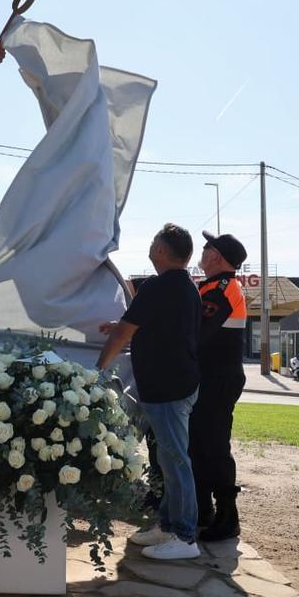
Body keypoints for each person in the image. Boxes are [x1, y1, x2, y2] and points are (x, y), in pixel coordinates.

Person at [97, 223, 202, 560]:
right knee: (168, 459)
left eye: (154, 240)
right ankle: (168, 525)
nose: (151, 243)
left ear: (160, 251)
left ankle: (185, 537)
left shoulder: (156, 287)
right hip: (178, 385)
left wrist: (99, 371)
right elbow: (158, 326)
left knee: (175, 461)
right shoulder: (185, 287)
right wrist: (121, 326)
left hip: (168, 388)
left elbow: (122, 336)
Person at [191, 231, 249, 541]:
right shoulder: (213, 286)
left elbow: (199, 334)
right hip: (210, 376)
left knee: (214, 446)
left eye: (206, 247)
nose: (201, 252)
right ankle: (203, 510)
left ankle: (228, 516)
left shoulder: (223, 289)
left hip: (218, 378)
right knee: (199, 444)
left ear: (215, 256)